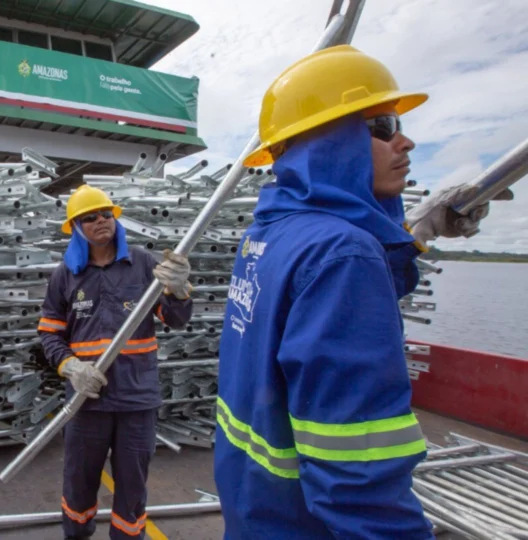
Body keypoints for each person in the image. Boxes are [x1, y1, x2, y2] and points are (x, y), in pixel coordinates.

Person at [214, 45, 513, 539]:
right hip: (304, 524)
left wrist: (415, 231)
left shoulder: (266, 235)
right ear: (328, 143)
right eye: (384, 127)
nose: (407, 142)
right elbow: (356, 474)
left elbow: (327, 294)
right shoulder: (342, 254)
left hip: (254, 505)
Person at [38, 184, 194, 540]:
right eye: (90, 218)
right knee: (79, 482)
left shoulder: (143, 264)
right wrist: (70, 367)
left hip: (136, 398)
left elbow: (176, 320)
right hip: (86, 402)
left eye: (106, 214)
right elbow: (49, 333)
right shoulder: (65, 275)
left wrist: (179, 291)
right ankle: (76, 534)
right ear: (76, 228)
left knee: (132, 486)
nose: (101, 221)